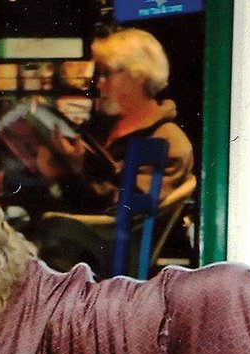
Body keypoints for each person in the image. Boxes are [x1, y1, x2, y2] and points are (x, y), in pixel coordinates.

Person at [33, 28, 195, 277]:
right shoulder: (108, 129)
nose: (99, 84)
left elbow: (126, 214)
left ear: (138, 76)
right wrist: (60, 169)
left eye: (106, 74)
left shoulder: (166, 140)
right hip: (93, 245)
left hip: (115, 260)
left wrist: (77, 169)